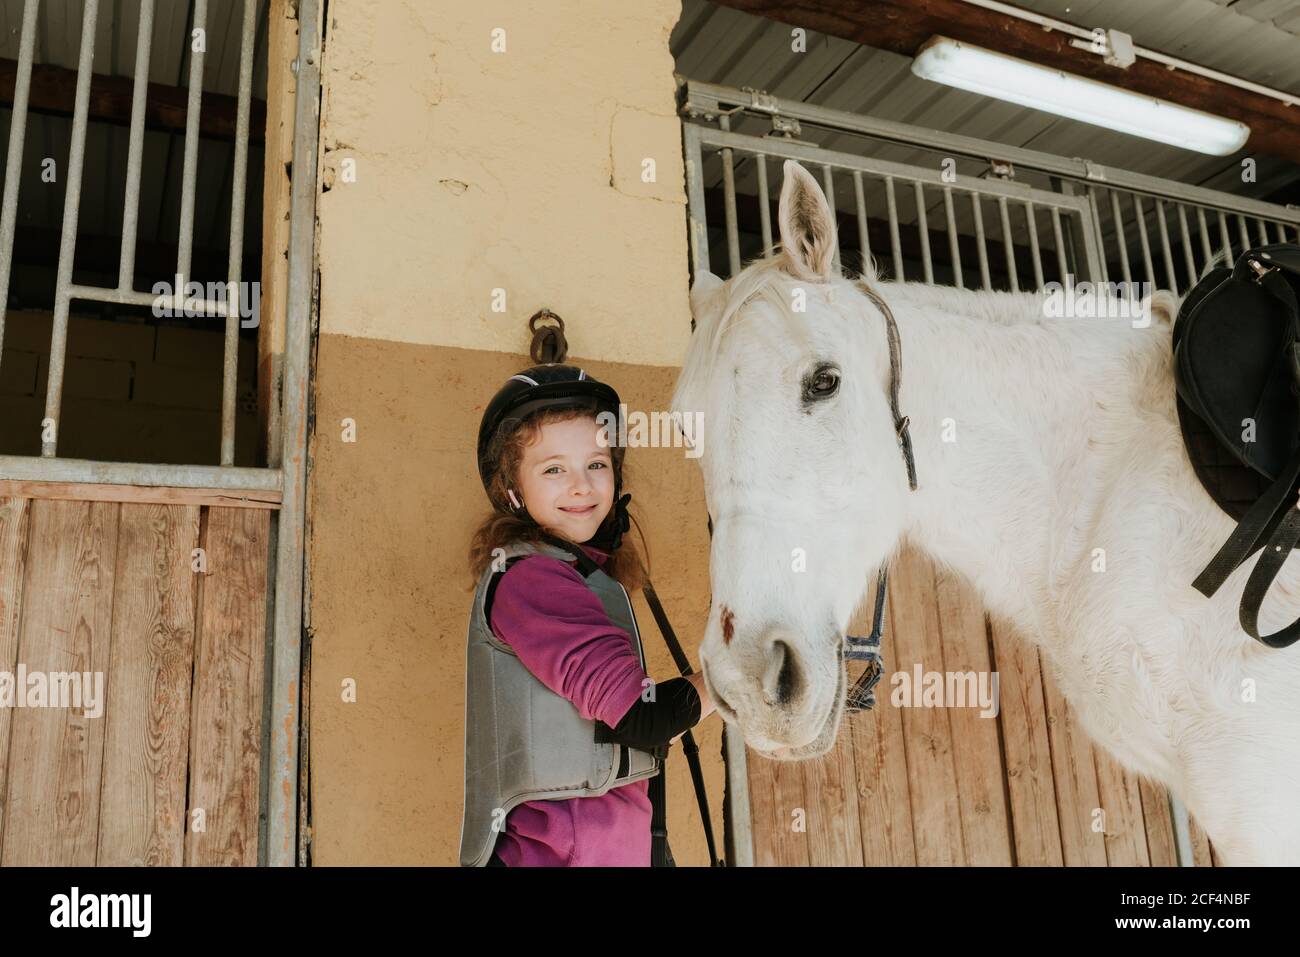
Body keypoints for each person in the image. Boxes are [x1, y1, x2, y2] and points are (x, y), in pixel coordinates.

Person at [461, 364, 716, 867]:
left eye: (596, 464)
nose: (580, 486)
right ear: (512, 489)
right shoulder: (531, 580)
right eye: (553, 469)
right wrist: (739, 680)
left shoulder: (584, 577)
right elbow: (641, 717)